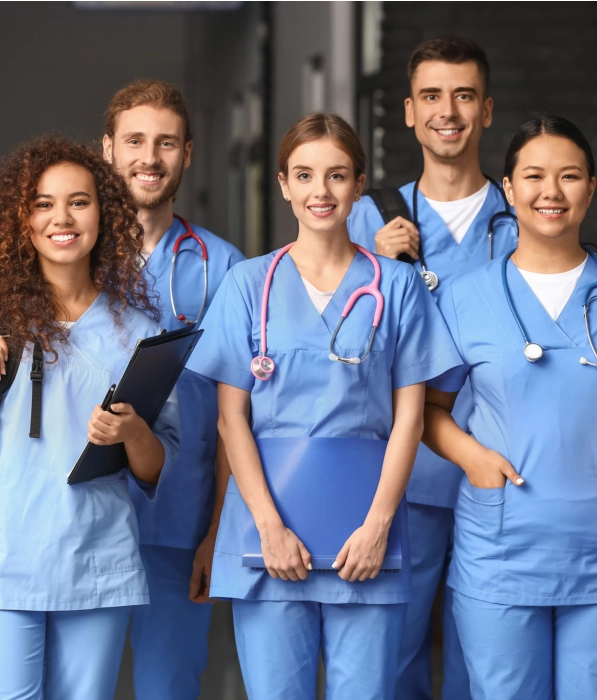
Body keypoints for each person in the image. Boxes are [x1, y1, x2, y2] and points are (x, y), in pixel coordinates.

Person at [187, 113, 461, 700]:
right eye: (305, 175)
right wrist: (268, 529)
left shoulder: (397, 286)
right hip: (268, 535)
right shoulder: (246, 285)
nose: (321, 191)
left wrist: (378, 528)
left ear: (359, 185)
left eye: (337, 176)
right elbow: (231, 418)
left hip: (367, 538)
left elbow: (410, 417)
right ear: (283, 183)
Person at [347, 36, 518, 698]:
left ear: (488, 110)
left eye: (465, 96)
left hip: (499, 475)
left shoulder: (523, 218)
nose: (449, 111)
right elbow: (331, 345)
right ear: (410, 113)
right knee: (392, 658)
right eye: (432, 97)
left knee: (492, 665)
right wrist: (374, 266)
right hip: (402, 479)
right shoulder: (366, 217)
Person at [423, 115, 597, 699]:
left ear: (591, 190)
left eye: (570, 176)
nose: (551, 192)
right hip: (502, 554)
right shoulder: (465, 297)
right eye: (534, 176)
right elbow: (428, 411)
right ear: (509, 189)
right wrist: (472, 456)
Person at [0, 137, 179, 700]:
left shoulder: (139, 331)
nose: (62, 218)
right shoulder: (2, 324)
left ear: (105, 213)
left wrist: (132, 432)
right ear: (22, 219)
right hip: (9, 556)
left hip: (96, 560)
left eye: (79, 202)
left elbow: (153, 470)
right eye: (44, 203)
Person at [103, 79, 244, 699]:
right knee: (76, 682)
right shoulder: (69, 252)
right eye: (134, 140)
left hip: (178, 520)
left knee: (170, 686)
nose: (149, 158)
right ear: (107, 149)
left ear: (188, 153)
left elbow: (239, 415)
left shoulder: (226, 267)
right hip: (86, 516)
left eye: (166, 143)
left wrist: (219, 529)